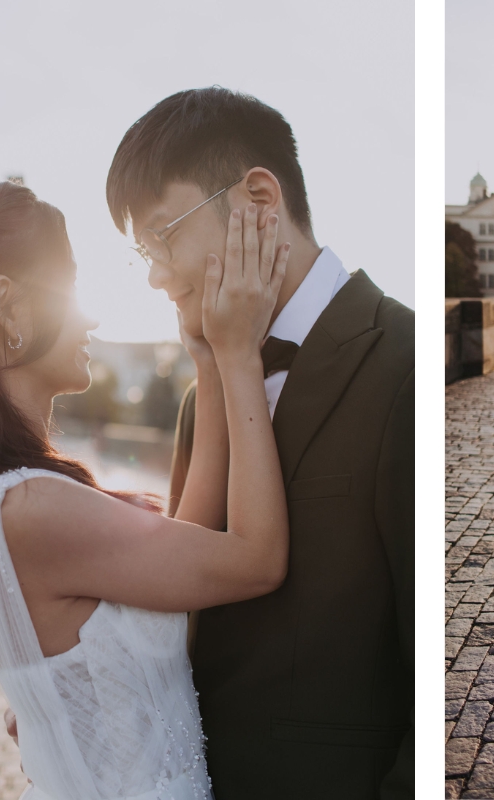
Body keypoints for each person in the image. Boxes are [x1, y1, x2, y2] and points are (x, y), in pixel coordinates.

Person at [0, 177, 290, 798]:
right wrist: (238, 355)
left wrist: (204, 363)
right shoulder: (30, 507)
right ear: (8, 306)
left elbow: (185, 550)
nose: (89, 314)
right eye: (68, 287)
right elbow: (257, 560)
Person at [104, 88, 413, 799]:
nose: (155, 274)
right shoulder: (198, 399)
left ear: (259, 202)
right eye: (141, 253)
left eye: (163, 236)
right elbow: (183, 607)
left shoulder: (406, 366)